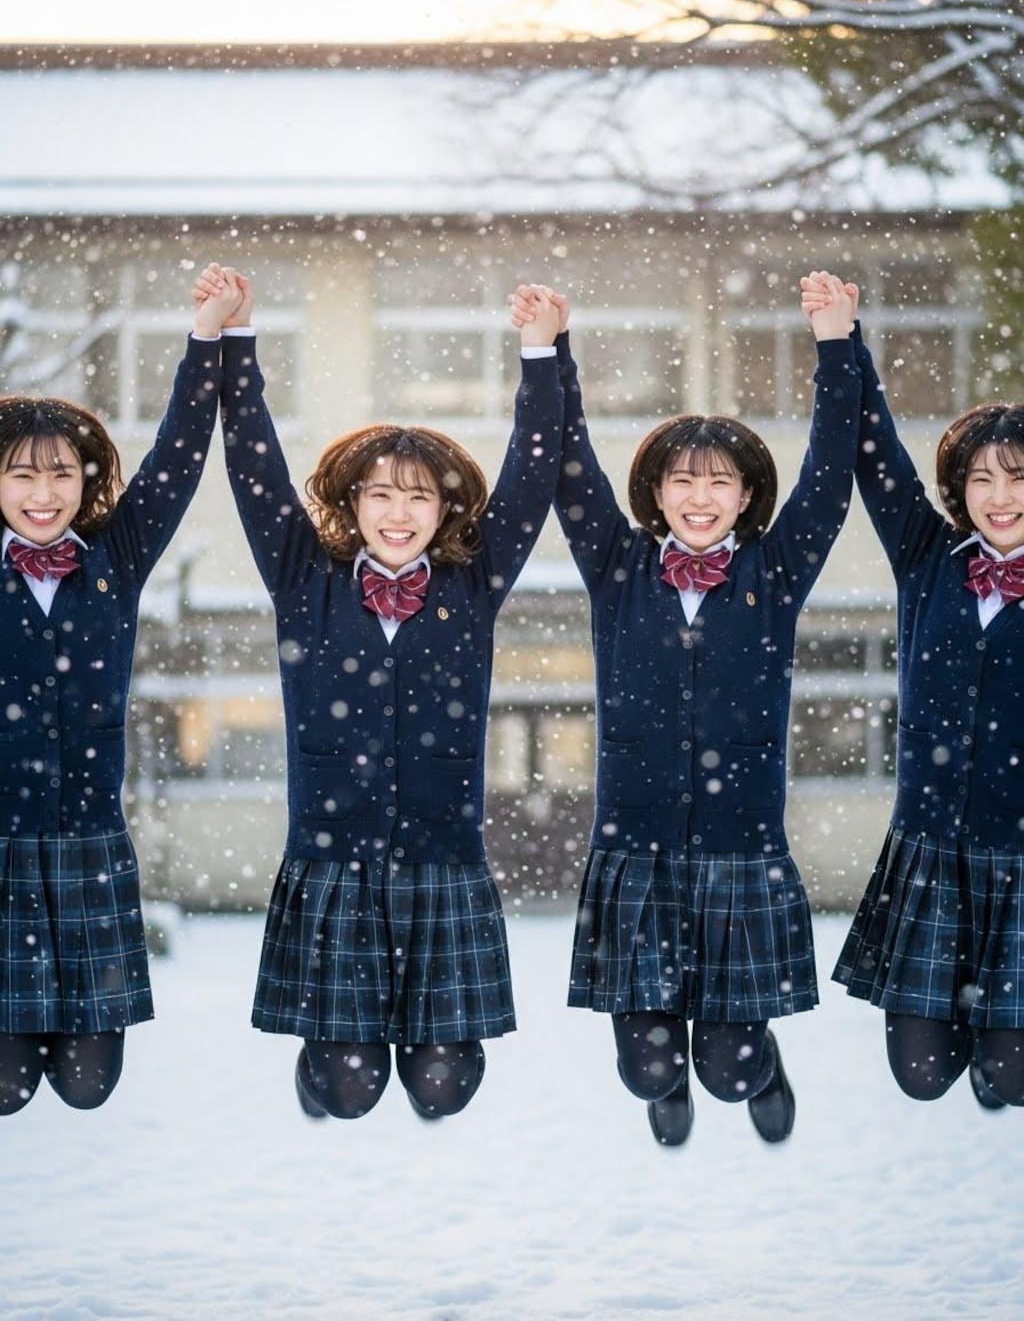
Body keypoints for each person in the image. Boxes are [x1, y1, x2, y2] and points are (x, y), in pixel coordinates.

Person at [193, 262, 564, 1121]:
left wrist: (541, 355)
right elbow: (252, 462)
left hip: (445, 869)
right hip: (333, 868)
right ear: (352, 504)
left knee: (444, 1089)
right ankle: (321, 1066)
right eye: (382, 495)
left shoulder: (470, 589)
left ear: (446, 510)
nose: (400, 513)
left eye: (420, 498)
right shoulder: (303, 579)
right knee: (351, 1091)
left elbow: (533, 475)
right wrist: (237, 339)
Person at [512, 274, 861, 1146]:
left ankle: (761, 1063)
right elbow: (566, 461)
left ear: (747, 497)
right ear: (656, 494)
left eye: (720, 482)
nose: (700, 497)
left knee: (730, 1069)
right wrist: (549, 354)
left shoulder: (775, 575)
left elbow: (830, 469)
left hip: (744, 854)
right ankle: (665, 1087)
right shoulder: (619, 570)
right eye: (681, 481)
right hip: (636, 856)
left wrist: (835, 347)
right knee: (649, 1068)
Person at [0, 270, 238, 1114]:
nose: (43, 495)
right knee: (7, 1088)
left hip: (90, 847)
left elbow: (178, 455)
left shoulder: (114, 562)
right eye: (22, 477)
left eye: (61, 475)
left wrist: (207, 337)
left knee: (87, 1087)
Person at [802, 270, 1024, 1111]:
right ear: (960, 491)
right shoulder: (931, 563)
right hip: (931, 855)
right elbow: (873, 450)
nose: (1000, 497)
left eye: (1018, 477)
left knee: (1009, 1076)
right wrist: (840, 341)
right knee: (922, 1077)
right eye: (982, 479)